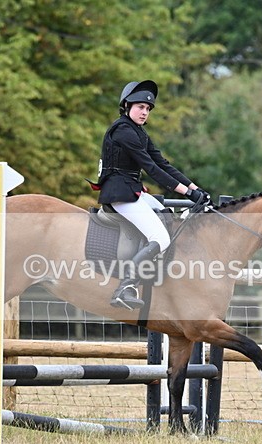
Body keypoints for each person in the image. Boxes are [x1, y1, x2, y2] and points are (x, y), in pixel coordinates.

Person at [93, 79, 211, 310]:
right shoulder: (123, 131)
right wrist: (187, 193)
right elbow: (152, 169)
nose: (145, 112)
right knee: (161, 238)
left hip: (130, 190)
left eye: (148, 108)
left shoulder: (139, 132)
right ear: (127, 106)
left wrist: (195, 189)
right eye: (140, 107)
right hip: (119, 193)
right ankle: (125, 287)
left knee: (164, 211)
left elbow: (163, 163)